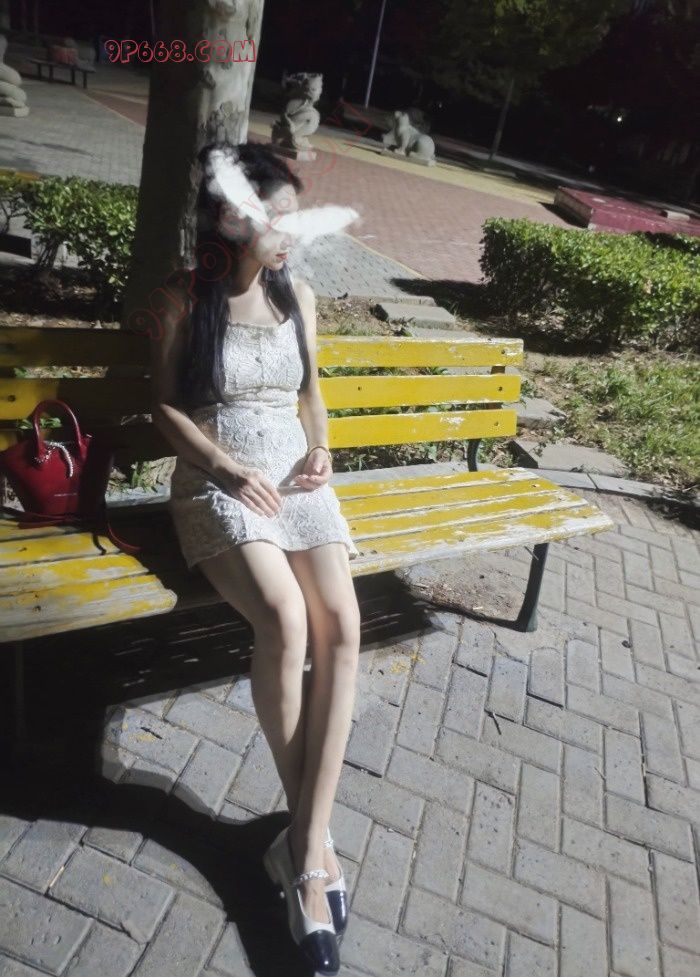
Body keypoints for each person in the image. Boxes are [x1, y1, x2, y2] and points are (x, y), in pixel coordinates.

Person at [150, 141, 362, 974]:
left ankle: (303, 839)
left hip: (294, 478)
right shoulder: (182, 299)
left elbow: (310, 395)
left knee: (342, 623)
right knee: (285, 617)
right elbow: (166, 408)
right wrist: (226, 467)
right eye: (279, 217)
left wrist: (323, 450)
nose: (292, 231)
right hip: (223, 481)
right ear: (233, 220)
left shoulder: (296, 294)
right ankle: (312, 858)